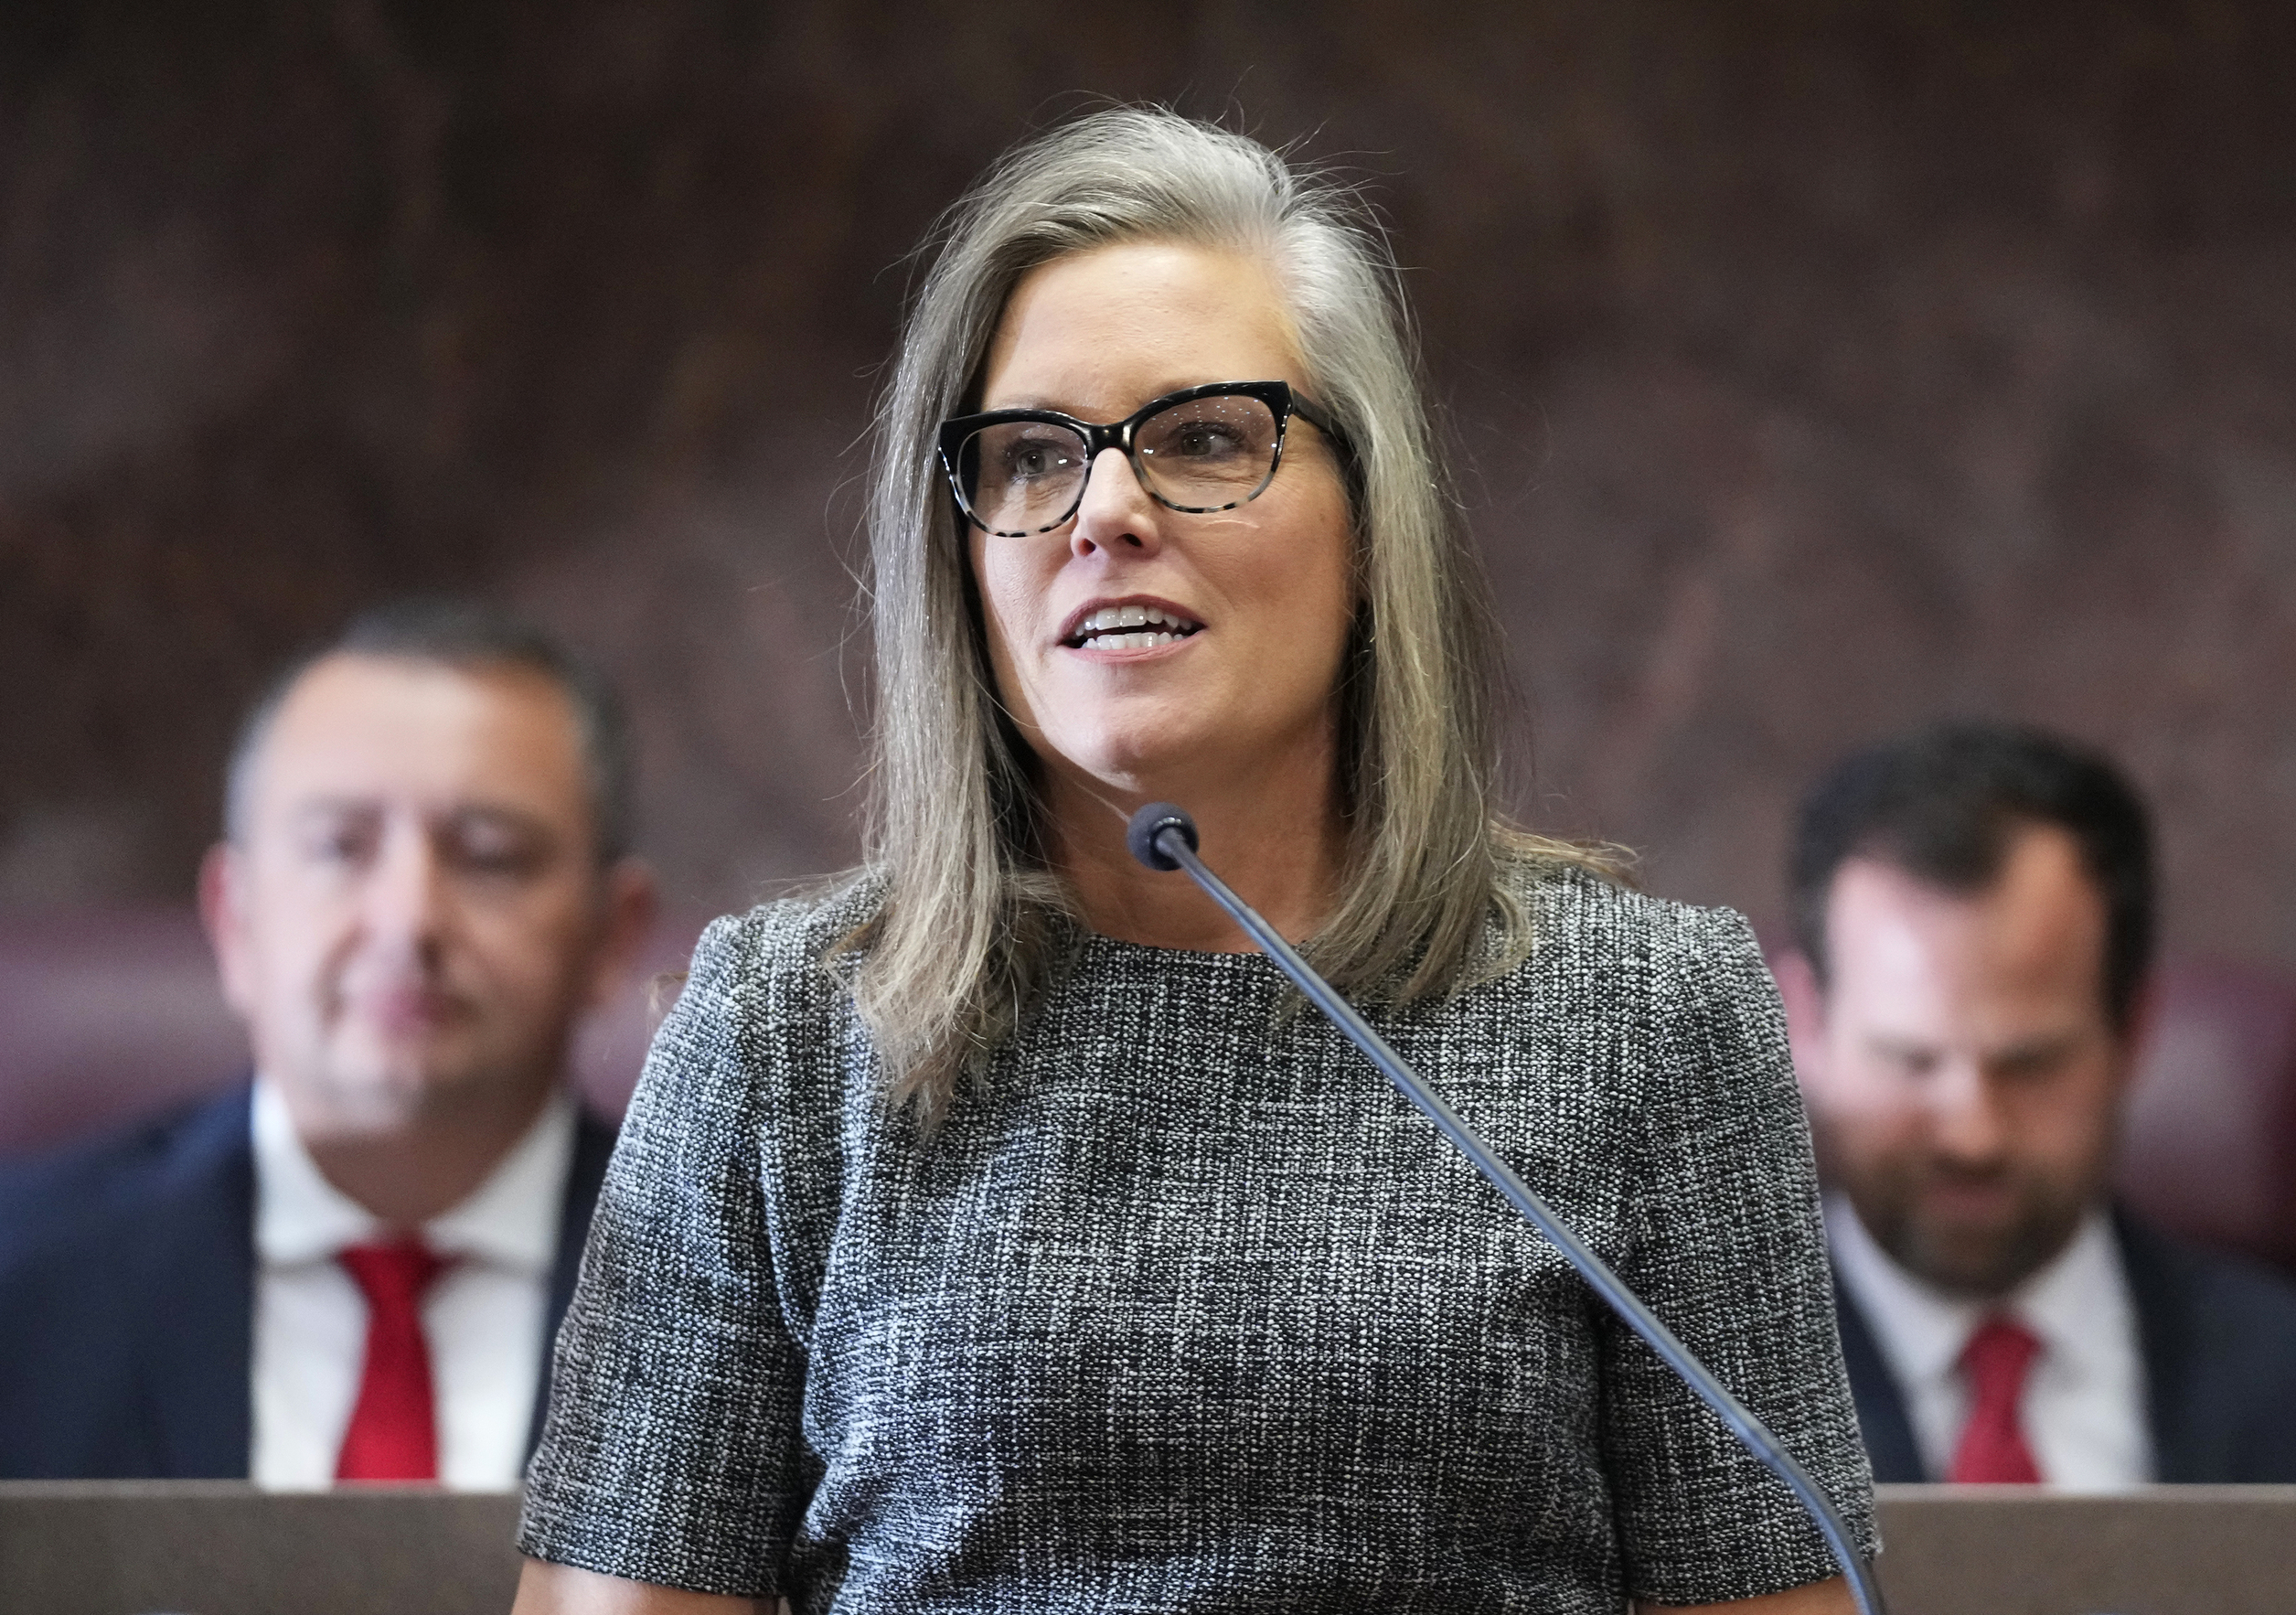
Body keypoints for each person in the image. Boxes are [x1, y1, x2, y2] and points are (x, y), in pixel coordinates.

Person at [513, 109, 1874, 1615]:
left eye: (1206, 438)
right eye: (1030, 457)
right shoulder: (779, 1024)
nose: (1104, 512)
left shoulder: (1647, 1014)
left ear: (1372, 521)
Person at [0, 601, 657, 1487]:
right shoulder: (24, 1273)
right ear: (234, 919)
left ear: (613, 934)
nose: (408, 919)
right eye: (340, 846)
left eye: (490, 854)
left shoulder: (748, 1298)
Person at [1778, 721, 2296, 1487]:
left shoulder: (2276, 1372)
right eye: (1910, 1059)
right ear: (1804, 1023)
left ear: (2132, 1030)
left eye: (2030, 1064)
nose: (1972, 1136)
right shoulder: (1670, 1393)